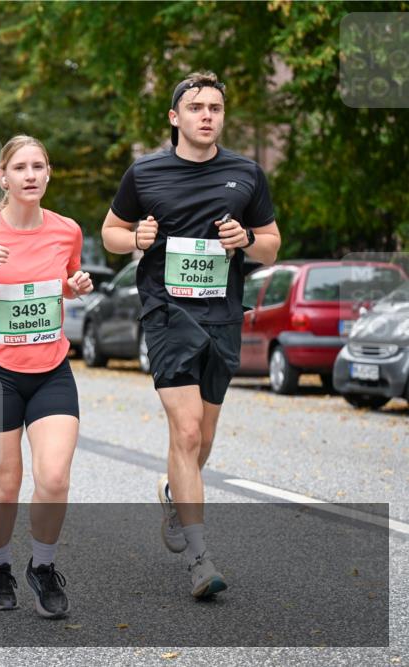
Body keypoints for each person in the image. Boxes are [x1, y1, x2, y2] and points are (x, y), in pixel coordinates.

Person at [102, 71, 281, 599]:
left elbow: (271, 244)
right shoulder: (146, 172)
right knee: (183, 433)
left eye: (216, 108)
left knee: (201, 439)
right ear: (174, 117)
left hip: (222, 314)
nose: (207, 115)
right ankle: (201, 561)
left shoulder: (246, 173)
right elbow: (111, 232)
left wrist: (246, 238)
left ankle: (171, 491)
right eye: (197, 106)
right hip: (166, 312)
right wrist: (135, 235)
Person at [0, 135, 93, 619]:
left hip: (51, 372)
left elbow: (66, 283)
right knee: (4, 486)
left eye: (39, 166)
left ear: (49, 174)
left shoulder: (67, 230)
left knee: (53, 478)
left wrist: (76, 286)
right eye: (20, 167)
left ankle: (43, 568)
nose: (31, 175)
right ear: (2, 177)